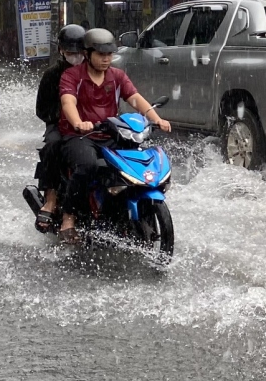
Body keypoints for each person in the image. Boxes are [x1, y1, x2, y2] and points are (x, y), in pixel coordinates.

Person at [55, 27, 171, 241]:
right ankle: (68, 216)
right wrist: (79, 123)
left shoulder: (117, 76)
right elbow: (67, 102)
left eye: (109, 54)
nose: (106, 59)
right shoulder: (71, 76)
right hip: (79, 136)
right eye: (101, 54)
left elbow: (135, 98)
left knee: (134, 165)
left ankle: (122, 210)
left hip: (111, 134)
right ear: (87, 54)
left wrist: (157, 119)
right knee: (88, 165)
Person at [32, 24, 87, 233]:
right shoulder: (51, 75)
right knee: (53, 145)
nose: (76, 57)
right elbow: (42, 109)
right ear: (62, 51)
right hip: (59, 125)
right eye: (71, 53)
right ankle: (51, 198)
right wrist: (64, 117)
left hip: (90, 125)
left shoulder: (92, 71)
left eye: (79, 53)